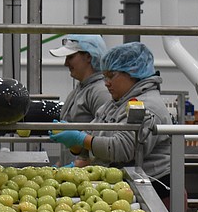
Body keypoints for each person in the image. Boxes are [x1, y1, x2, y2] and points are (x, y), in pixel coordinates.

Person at [47, 41, 174, 201]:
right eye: (105, 76)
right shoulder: (116, 102)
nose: (106, 82)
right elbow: (94, 133)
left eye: (111, 76)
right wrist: (76, 147)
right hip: (127, 190)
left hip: (155, 194)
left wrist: (80, 138)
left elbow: (123, 149)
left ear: (132, 72)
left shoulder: (147, 106)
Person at [49, 34, 112, 165]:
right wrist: (60, 165)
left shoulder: (100, 92)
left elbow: (107, 143)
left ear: (88, 56)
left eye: (70, 57)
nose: (66, 63)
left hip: (88, 177)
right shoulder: (80, 89)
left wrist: (78, 167)